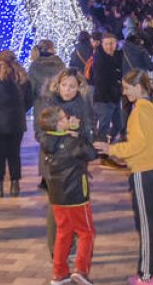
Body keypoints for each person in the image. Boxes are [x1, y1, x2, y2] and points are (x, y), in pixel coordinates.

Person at [95, 71, 153, 285]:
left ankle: (147, 274)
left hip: (144, 171)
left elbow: (137, 145)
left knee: (146, 224)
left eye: (127, 88)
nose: (124, 92)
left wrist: (111, 149)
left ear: (138, 87)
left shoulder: (140, 111)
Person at [39, 105, 98, 285]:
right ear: (58, 123)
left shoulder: (46, 141)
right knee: (86, 233)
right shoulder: (71, 142)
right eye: (64, 118)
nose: (68, 119)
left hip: (57, 196)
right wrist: (78, 133)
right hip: (76, 195)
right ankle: (81, 270)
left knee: (63, 233)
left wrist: (69, 130)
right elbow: (91, 152)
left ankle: (59, 273)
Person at [0, 50, 33, 197]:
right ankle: (15, 185)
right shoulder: (23, 78)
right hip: (17, 122)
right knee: (14, 154)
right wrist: (20, 110)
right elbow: (30, 99)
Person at [90, 34, 125, 143]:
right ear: (102, 44)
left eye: (111, 43)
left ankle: (108, 142)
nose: (109, 46)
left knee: (118, 125)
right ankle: (101, 148)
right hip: (104, 99)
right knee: (103, 127)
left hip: (115, 97)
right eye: (106, 44)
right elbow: (99, 81)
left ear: (116, 43)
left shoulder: (118, 55)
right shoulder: (99, 59)